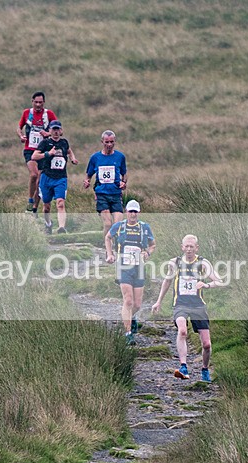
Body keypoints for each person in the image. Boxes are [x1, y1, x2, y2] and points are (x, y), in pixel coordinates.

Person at [151, 234, 224, 382]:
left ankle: (204, 369)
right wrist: (158, 301)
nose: (189, 249)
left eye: (192, 246)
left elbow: (219, 281)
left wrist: (206, 285)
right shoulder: (175, 262)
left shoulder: (203, 263)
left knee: (207, 344)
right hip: (181, 304)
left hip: (198, 305)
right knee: (182, 330)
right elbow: (167, 282)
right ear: (182, 247)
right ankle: (183, 366)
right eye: (187, 246)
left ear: (196, 248)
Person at [105, 200, 156, 345]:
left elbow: (153, 245)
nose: (132, 214)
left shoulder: (145, 228)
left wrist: (147, 253)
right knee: (128, 300)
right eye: (130, 211)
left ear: (138, 212)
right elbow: (108, 237)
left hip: (138, 267)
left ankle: (130, 317)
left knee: (138, 304)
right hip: (124, 267)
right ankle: (128, 334)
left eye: (135, 211)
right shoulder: (119, 226)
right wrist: (110, 254)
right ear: (126, 211)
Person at [32, 120, 78, 234]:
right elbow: (34, 156)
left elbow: (69, 151)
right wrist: (48, 154)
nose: (56, 132)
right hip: (47, 177)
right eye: (53, 129)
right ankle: (48, 224)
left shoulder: (64, 142)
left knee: (60, 203)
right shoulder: (45, 143)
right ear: (50, 131)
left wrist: (72, 158)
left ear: (61, 131)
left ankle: (61, 228)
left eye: (58, 129)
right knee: (46, 207)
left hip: (61, 178)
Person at [18, 92, 58, 213]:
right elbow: (19, 127)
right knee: (34, 174)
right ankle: (30, 199)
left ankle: (34, 208)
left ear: (44, 102)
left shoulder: (49, 114)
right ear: (32, 101)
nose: (38, 104)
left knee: (40, 181)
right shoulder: (27, 113)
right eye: (36, 102)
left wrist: (48, 134)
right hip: (30, 150)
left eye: (40, 102)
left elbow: (59, 130)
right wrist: (21, 136)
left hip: (43, 151)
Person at [85, 130, 128, 237]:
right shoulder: (95, 157)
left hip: (116, 194)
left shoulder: (120, 157)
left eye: (111, 142)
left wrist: (123, 182)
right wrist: (87, 181)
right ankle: (106, 247)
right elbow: (89, 174)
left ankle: (115, 245)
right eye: (107, 142)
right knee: (108, 224)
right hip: (102, 194)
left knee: (117, 224)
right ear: (102, 142)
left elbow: (124, 174)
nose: (109, 145)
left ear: (115, 142)